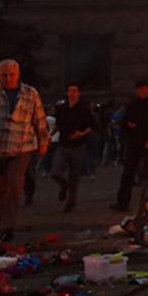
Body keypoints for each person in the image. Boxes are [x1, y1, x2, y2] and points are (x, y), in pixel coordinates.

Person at [0, 59, 49, 239]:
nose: (8, 78)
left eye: (11, 74)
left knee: (14, 184)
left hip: (21, 147)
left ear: (18, 74)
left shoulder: (30, 93)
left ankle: (8, 225)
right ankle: (1, 220)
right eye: (4, 75)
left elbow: (40, 119)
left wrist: (43, 141)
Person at [111, 79, 148, 211]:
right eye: (141, 88)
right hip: (134, 142)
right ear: (137, 90)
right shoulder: (132, 104)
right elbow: (124, 122)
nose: (143, 91)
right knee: (128, 173)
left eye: (145, 88)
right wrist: (129, 127)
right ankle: (122, 202)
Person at [51, 84, 94, 212]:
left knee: (74, 175)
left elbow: (91, 125)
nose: (72, 93)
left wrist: (81, 133)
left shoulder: (83, 108)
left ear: (79, 93)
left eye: (75, 91)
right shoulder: (62, 108)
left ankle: (71, 202)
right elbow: (58, 124)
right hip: (63, 144)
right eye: (70, 91)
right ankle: (64, 185)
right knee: (55, 172)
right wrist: (49, 135)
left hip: (78, 145)